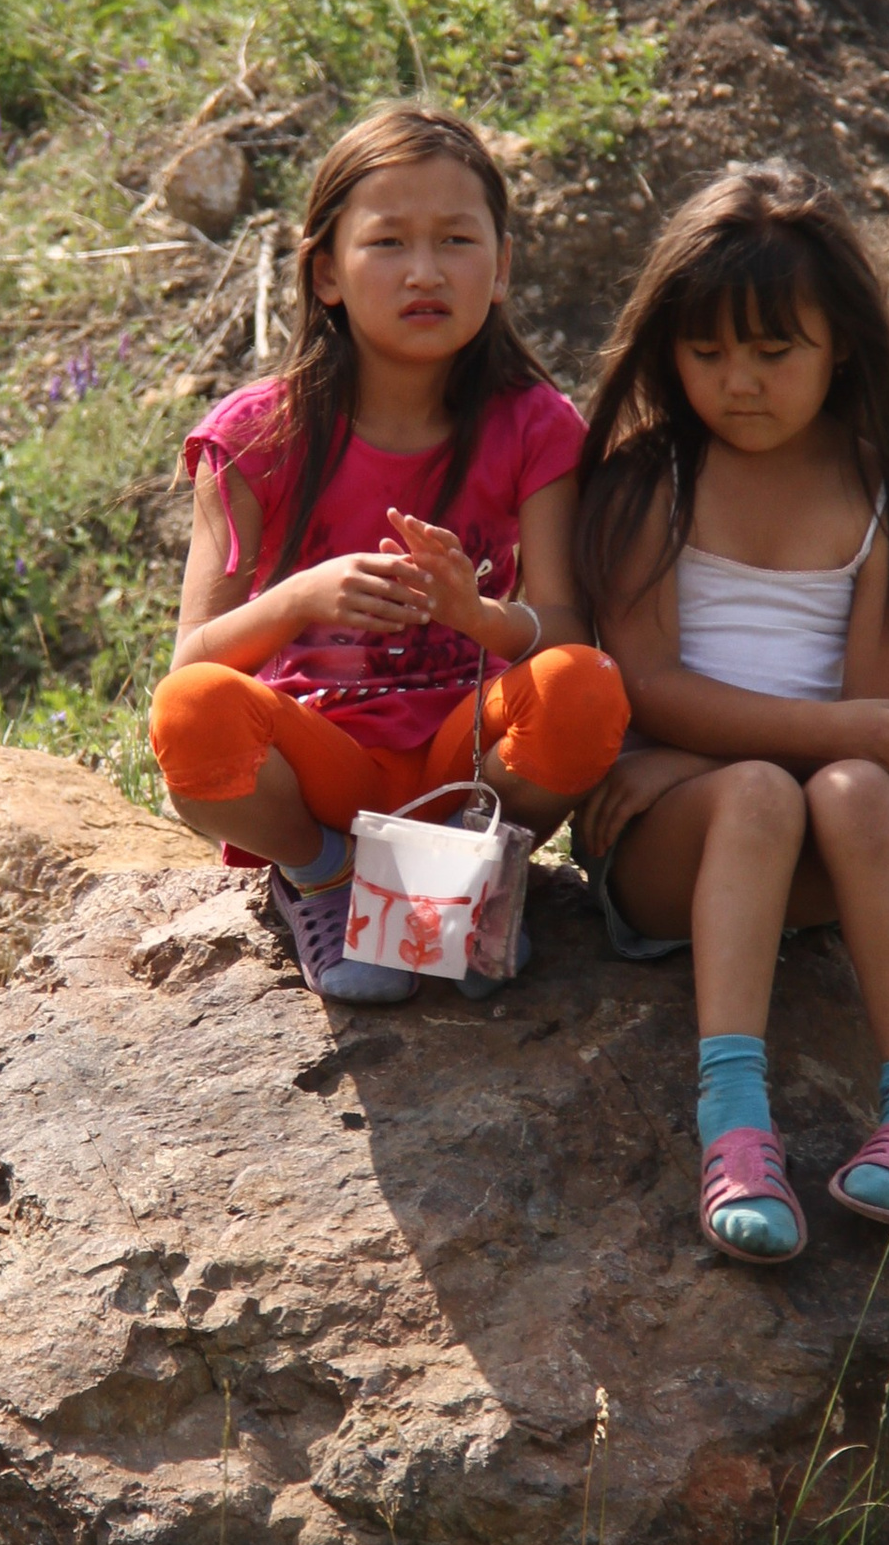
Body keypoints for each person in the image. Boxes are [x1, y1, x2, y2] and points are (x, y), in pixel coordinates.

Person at [149, 103, 630, 999]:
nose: (424, 272)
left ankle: (472, 880)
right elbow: (192, 661)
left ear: (501, 269)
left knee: (585, 687)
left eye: (456, 240)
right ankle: (325, 877)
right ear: (326, 272)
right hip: (323, 772)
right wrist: (300, 599)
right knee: (192, 714)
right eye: (388, 244)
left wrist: (477, 615)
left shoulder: (534, 424)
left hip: (465, 764)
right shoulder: (256, 435)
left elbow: (565, 625)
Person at [573, 165, 889, 1261]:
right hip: (672, 851)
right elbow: (643, 683)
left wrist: (830, 743)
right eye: (706, 353)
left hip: (817, 855)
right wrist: (794, 740)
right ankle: (735, 1123)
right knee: (755, 794)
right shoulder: (653, 485)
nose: (738, 381)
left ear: (842, 346)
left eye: (773, 350)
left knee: (853, 793)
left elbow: (875, 739)